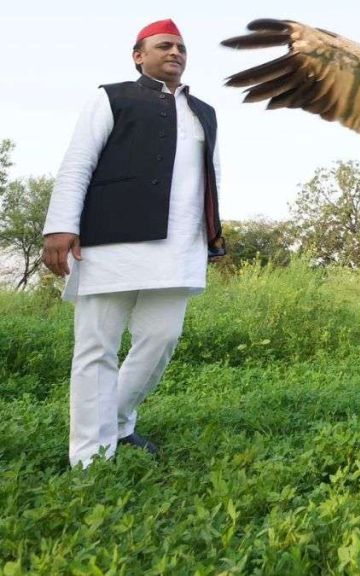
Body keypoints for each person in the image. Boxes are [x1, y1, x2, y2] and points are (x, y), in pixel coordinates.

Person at [41, 19, 225, 467]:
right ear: (138, 55)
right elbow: (78, 161)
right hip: (110, 240)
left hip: (180, 244)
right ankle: (89, 455)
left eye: (181, 47)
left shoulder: (205, 111)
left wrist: (213, 235)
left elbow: (212, 178)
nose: (176, 52)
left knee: (162, 337)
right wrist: (60, 226)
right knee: (96, 346)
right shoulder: (112, 97)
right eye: (164, 45)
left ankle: (119, 423)